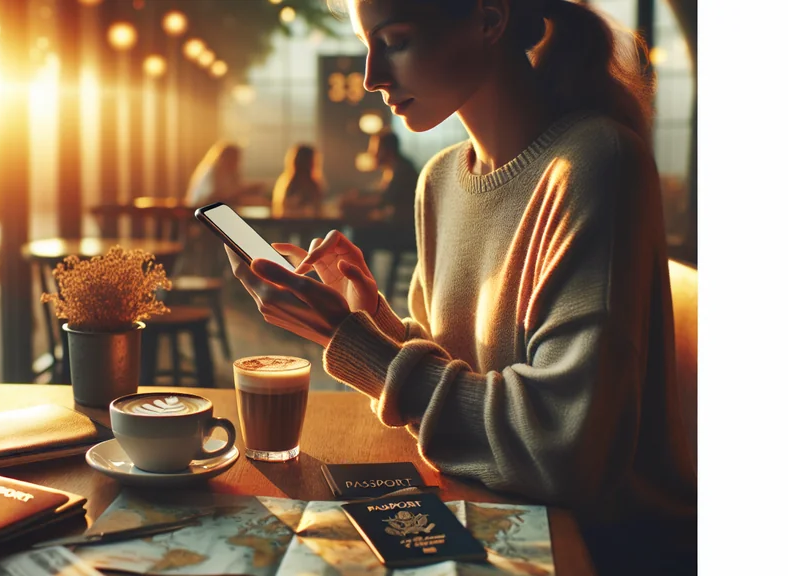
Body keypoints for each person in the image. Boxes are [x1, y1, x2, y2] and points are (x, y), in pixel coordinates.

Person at [225, 0, 695, 573]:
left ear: (489, 20)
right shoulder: (441, 179)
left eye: (394, 40)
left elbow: (562, 452)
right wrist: (371, 319)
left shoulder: (597, 162)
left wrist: (351, 342)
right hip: (479, 509)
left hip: (594, 544)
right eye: (367, 44)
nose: (372, 75)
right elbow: (458, 368)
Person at [184, 141, 265, 207]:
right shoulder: (215, 170)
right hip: (202, 212)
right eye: (235, 157)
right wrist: (247, 190)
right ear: (225, 157)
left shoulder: (230, 172)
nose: (237, 161)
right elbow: (221, 195)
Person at [270, 144, 326, 216]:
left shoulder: (314, 184)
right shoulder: (288, 183)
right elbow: (283, 209)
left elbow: (318, 209)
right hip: (290, 223)